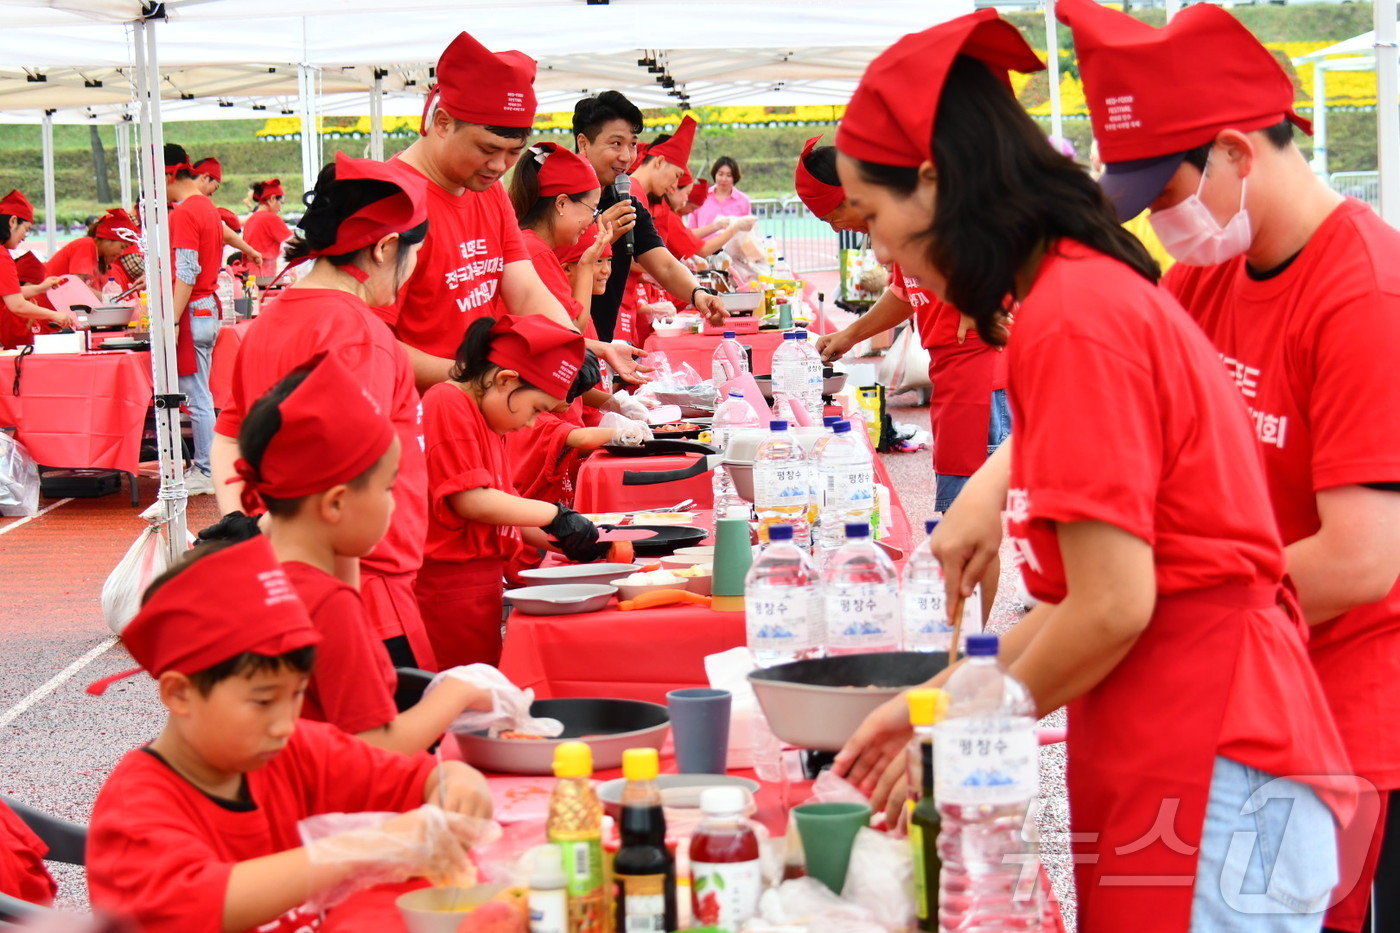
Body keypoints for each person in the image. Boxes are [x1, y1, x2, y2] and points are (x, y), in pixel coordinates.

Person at [830, 13, 1354, 932]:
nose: (877, 253)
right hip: (1189, 734)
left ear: (936, 183)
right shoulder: (1077, 290)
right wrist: (940, 703)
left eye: (872, 219)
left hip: (1213, 751)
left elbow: (1115, 604)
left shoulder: (1074, 315)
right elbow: (1093, 606)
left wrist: (965, 728)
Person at [1059, 1, 1400, 928]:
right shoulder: (1211, 273)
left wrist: (1140, 601)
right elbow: (1128, 379)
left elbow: (1364, 558)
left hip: (1341, 722)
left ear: (1238, 154)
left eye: (1167, 197)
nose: (1163, 227)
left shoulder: (1364, 293)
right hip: (1235, 694)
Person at [84, 535, 492, 933]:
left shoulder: (296, 748)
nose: (283, 723)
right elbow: (198, 903)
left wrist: (455, 783)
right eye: (263, 701)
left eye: (296, 694)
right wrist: (359, 849)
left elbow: (414, 777)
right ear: (179, 693)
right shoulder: (134, 812)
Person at [211, 152, 439, 671]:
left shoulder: (269, 322)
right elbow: (346, 480)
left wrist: (239, 520)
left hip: (289, 579)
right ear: (385, 248)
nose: (414, 267)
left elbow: (229, 436)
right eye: (415, 252)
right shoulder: (361, 335)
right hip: (362, 587)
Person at [234, 354, 514, 754]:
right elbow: (376, 745)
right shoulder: (330, 605)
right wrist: (458, 690)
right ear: (335, 504)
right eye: (388, 490)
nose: (396, 505)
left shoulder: (263, 574)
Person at [805, 132, 1010, 613]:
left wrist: (987, 294)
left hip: (981, 378)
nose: (838, 229)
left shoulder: (942, 213)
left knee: (964, 522)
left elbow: (1001, 232)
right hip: (957, 376)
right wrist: (851, 335)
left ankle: (965, 641)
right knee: (968, 518)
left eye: (835, 214)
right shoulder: (900, 229)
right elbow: (904, 292)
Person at [378, 31, 641, 394]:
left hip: (482, 412)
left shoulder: (488, 193)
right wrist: (472, 378)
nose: (499, 166)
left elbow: (526, 290)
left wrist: (572, 347)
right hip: (422, 423)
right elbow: (373, 343)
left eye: (514, 152)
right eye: (488, 148)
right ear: (441, 123)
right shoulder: (391, 203)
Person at [417, 314, 608, 669]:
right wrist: (555, 515)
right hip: (447, 587)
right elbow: (472, 500)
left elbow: (507, 510)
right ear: (506, 379)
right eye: (537, 409)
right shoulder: (447, 403)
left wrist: (573, 541)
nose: (532, 423)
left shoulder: (491, 420)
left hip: (480, 580)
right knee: (465, 690)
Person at [572, 92, 727, 341]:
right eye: (616, 143)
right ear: (583, 143)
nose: (626, 156)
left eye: (632, 144)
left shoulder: (625, 202)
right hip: (562, 337)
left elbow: (664, 265)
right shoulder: (558, 198)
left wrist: (698, 294)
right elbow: (541, 266)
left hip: (603, 339)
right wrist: (597, 235)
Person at [165, 144, 226, 496]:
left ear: (170, 175)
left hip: (193, 309)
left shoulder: (185, 212)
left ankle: (205, 468)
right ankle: (206, 465)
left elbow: (188, 269)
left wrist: (172, 319)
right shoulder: (207, 208)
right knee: (200, 392)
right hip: (206, 306)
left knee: (196, 394)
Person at [0, 189, 73, 348]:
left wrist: (40, 288)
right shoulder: (1, 256)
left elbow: (9, 294)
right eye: (26, 229)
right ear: (13, 221)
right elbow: (17, 304)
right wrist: (56, 315)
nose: (25, 236)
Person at [43, 208, 140, 292]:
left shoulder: (98, 260)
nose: (121, 253)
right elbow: (77, 287)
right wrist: (110, 300)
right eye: (122, 247)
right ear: (108, 240)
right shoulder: (86, 244)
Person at [241, 178, 290, 278]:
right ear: (272, 199)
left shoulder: (252, 218)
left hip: (249, 274)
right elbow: (292, 241)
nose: (280, 208)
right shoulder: (271, 217)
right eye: (281, 202)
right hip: (263, 273)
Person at [689, 155, 751, 228]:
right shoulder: (701, 197)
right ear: (714, 174)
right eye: (720, 174)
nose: (724, 179)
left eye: (729, 175)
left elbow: (748, 230)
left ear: (735, 177)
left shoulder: (743, 200)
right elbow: (691, 229)